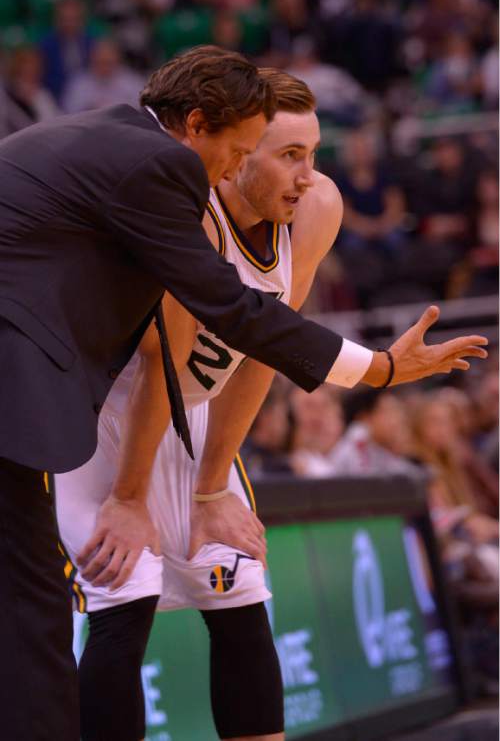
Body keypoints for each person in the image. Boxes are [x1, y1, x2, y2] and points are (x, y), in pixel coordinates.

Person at [0, 44, 487, 739]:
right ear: (218, 136)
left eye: (310, 151)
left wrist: (210, 485)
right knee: (109, 597)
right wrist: (376, 369)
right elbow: (211, 331)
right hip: (113, 409)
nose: (302, 172)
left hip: (192, 416)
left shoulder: (312, 206)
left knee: (235, 587)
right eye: (273, 151)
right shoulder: (176, 188)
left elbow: (262, 345)